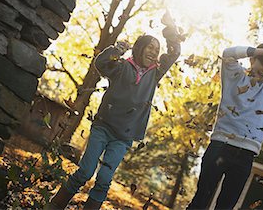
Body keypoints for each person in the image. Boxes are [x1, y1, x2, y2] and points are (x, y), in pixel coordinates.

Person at [46, 26, 181, 210]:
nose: (154, 52)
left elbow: (174, 53)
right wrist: (117, 50)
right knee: (85, 171)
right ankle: (55, 206)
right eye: (150, 47)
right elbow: (101, 63)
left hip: (123, 137)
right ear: (139, 48)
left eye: (157, 50)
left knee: (104, 179)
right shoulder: (122, 66)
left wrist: (170, 29)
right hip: (103, 127)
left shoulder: (155, 73)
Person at [188, 19, 263, 209]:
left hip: (245, 155)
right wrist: (260, 51)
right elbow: (228, 54)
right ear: (252, 60)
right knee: (201, 200)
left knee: (226, 206)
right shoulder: (235, 76)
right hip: (220, 145)